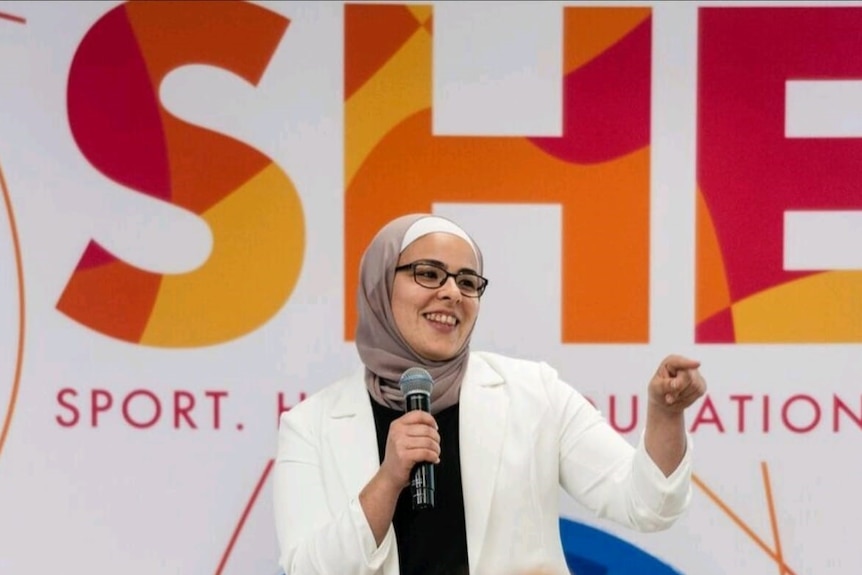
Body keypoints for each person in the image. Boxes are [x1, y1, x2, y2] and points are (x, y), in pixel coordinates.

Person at [274, 213, 706, 575]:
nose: (451, 292)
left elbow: (647, 506)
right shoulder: (311, 425)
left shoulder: (535, 393)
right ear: (380, 286)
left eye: (467, 281)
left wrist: (665, 416)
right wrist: (389, 479)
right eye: (427, 273)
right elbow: (306, 569)